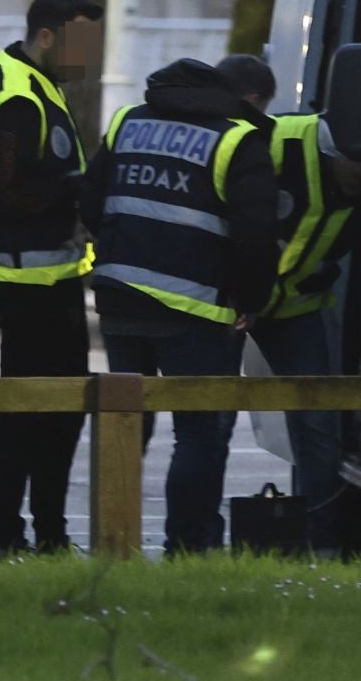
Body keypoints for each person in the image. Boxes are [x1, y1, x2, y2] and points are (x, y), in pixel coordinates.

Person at [82, 58, 278, 554]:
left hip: (120, 297)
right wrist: (251, 301)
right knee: (198, 433)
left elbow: (89, 199)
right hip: (195, 311)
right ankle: (187, 548)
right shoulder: (236, 140)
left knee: (124, 423)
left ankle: (112, 545)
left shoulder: (128, 122)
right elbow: (255, 237)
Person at [0, 0, 104, 556]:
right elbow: (10, 190)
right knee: (33, 411)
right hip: (25, 278)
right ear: (46, 37)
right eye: (80, 42)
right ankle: (19, 536)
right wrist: (75, 192)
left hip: (42, 274)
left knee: (51, 410)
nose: (89, 56)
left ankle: (38, 533)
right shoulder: (18, 98)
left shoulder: (33, 82)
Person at [216, 53, 361, 557]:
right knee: (210, 418)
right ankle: (196, 540)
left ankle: (322, 546)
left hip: (295, 308)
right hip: (232, 301)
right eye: (355, 165)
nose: (360, 179)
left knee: (318, 425)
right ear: (334, 149)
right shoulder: (281, 140)